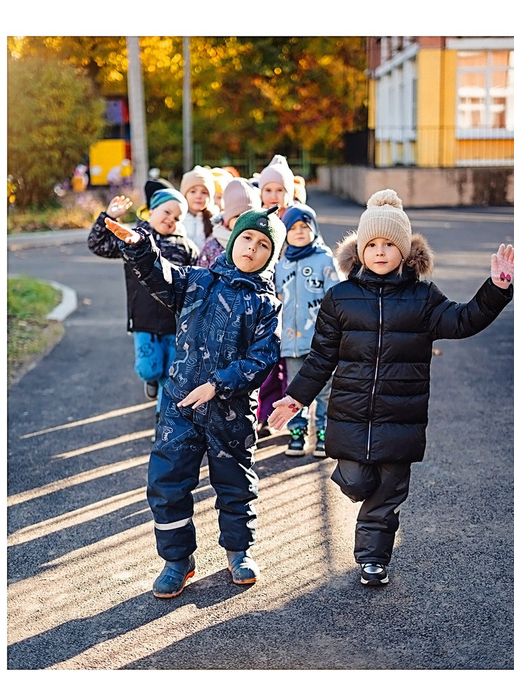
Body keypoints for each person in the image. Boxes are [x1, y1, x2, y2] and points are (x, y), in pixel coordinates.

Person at [270, 190, 514, 586]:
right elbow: (320, 358)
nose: (381, 252)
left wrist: (496, 288)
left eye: (389, 245)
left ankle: (373, 559)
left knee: (388, 493)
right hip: (351, 412)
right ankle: (366, 513)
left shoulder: (423, 298)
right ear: (360, 251)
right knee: (355, 481)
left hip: (400, 416)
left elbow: (463, 321)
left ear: (404, 253)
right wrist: (297, 397)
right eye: (373, 245)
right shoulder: (340, 298)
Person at [108, 208, 286, 597]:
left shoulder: (266, 304)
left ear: (271, 256)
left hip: (231, 414)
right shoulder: (198, 280)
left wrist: (218, 386)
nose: (252, 250)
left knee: (235, 485)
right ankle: (177, 560)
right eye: (247, 240)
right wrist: (141, 248)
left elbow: (261, 361)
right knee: (167, 483)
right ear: (233, 239)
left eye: (263, 246)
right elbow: (162, 275)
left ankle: (239, 552)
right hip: (180, 408)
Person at [91, 186, 197, 402]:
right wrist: (108, 217)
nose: (171, 219)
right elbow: (98, 245)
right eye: (167, 212)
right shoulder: (132, 239)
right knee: (149, 369)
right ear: (151, 210)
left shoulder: (185, 247)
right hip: (143, 317)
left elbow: (195, 281)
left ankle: (162, 420)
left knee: (170, 375)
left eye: (177, 217)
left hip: (173, 321)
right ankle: (151, 380)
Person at [268, 206, 338, 452]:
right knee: (294, 390)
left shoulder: (325, 259)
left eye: (304, 227)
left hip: (321, 343)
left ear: (314, 229)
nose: (299, 232)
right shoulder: (281, 264)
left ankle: (323, 433)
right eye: (292, 228)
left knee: (325, 391)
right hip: (291, 342)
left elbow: (336, 297)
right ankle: (297, 432)